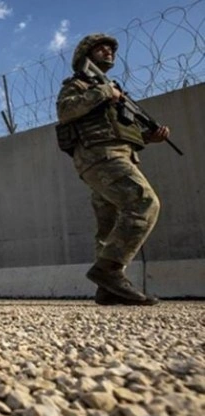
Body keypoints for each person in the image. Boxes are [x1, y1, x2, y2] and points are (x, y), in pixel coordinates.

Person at [56, 34, 169, 306]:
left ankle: (108, 290)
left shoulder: (111, 89)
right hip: (99, 157)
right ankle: (109, 270)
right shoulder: (78, 84)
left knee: (108, 224)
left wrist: (147, 137)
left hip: (115, 155)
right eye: (101, 48)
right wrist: (106, 92)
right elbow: (66, 110)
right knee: (144, 202)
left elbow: (117, 131)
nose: (109, 51)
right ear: (86, 55)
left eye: (111, 49)